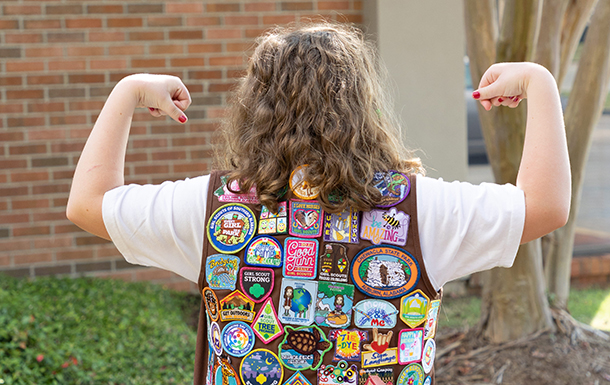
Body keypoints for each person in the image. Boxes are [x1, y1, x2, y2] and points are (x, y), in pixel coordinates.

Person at [67, 23, 570, 385]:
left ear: (255, 109)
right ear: (363, 107)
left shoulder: (211, 209)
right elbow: (545, 206)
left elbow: (87, 204)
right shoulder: (420, 211)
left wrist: (128, 91)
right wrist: (540, 84)